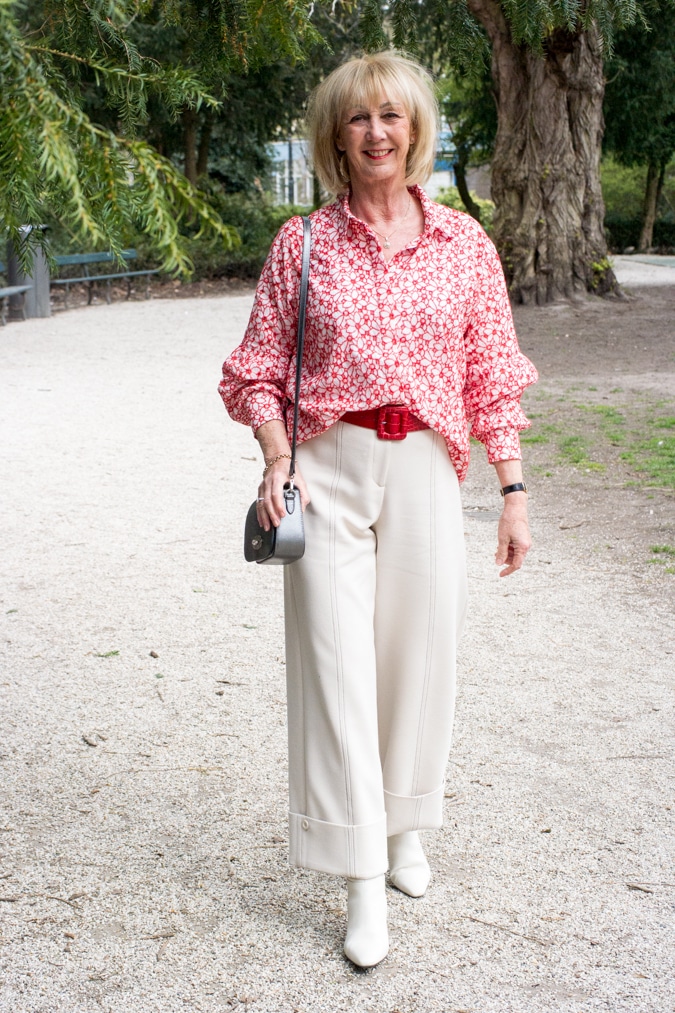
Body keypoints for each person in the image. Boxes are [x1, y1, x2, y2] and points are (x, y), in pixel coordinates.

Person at [218, 50, 537, 969]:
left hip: (429, 468)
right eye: (358, 118)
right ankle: (360, 875)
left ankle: (403, 832)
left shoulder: (464, 245)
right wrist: (277, 457)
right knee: (335, 666)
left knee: (417, 657)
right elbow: (254, 371)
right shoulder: (302, 244)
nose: (376, 133)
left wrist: (511, 490)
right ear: (335, 134)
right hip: (326, 465)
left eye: (392, 116)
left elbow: (490, 375)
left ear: (416, 130)